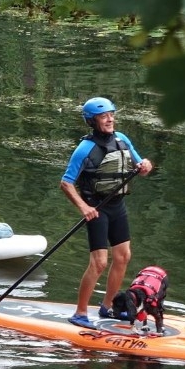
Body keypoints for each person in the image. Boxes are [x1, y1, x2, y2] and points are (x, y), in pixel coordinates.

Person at [60, 96, 154, 328]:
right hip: (97, 209)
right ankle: (80, 313)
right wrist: (84, 207)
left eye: (112, 114)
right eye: (104, 116)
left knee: (123, 256)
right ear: (92, 121)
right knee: (99, 263)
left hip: (117, 205)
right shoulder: (85, 149)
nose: (110, 119)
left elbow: (140, 167)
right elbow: (66, 182)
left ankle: (107, 306)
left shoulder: (122, 139)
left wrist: (146, 166)